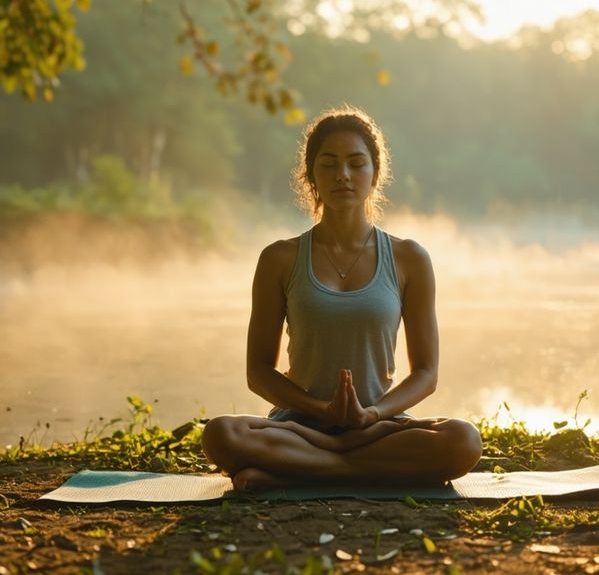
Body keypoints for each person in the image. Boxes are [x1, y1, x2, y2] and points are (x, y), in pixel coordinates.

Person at [201, 106, 483, 491]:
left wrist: (371, 414)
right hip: (298, 428)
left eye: (356, 163)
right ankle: (350, 468)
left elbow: (426, 374)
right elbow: (259, 372)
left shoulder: (409, 258)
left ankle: (296, 475)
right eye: (329, 164)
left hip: (377, 428)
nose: (343, 175)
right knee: (220, 434)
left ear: (375, 173)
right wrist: (320, 410)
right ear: (311, 175)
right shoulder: (279, 258)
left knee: (463, 440)